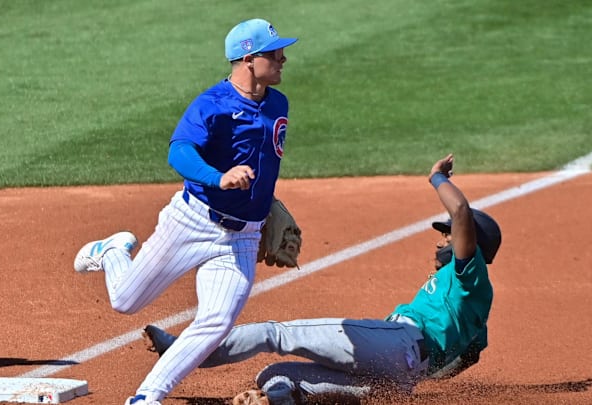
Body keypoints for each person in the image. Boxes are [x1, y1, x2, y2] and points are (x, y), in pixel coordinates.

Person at [142, 153, 502, 404]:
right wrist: (419, 372)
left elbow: (460, 211)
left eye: (448, 236)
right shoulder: (473, 306)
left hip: (398, 343)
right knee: (274, 374)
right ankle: (276, 399)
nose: (442, 239)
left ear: (470, 244)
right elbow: (468, 357)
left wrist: (436, 177)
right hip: (400, 377)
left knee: (277, 334)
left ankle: (185, 351)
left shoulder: (470, 274)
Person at [72, 18, 299, 405]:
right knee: (125, 301)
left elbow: (263, 161)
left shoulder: (278, 103)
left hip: (242, 238)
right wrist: (219, 177)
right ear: (248, 59)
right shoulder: (212, 105)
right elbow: (179, 151)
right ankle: (111, 252)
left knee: (216, 322)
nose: (283, 58)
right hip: (192, 222)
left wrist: (266, 207)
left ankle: (146, 397)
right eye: (274, 52)